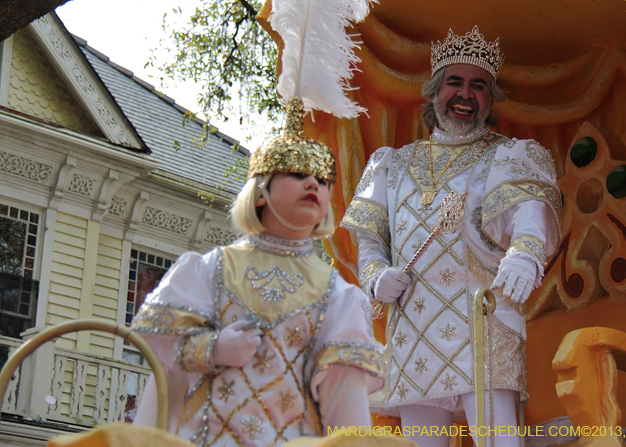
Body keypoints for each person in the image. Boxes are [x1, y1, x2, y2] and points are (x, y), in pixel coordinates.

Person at [341, 26, 561, 447]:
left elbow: (530, 209)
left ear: (489, 99)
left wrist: (526, 254)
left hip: (483, 322)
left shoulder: (506, 155)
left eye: (478, 86)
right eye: (454, 83)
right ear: (433, 94)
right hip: (414, 330)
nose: (465, 95)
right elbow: (371, 240)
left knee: (500, 444)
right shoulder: (392, 163)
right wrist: (374, 276)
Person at [131, 98, 384, 447]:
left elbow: (346, 401)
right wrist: (213, 349)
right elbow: (160, 349)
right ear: (261, 191)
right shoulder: (209, 270)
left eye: (323, 181)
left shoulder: (338, 294)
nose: (313, 184)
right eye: (297, 174)